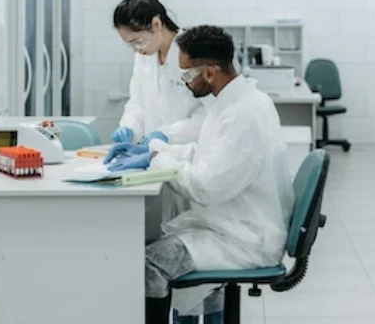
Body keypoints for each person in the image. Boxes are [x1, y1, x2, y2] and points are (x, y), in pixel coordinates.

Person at [104, 25, 295, 323]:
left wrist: (158, 158)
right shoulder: (232, 103)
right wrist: (154, 152)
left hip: (245, 238)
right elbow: (208, 154)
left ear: (209, 73)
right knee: (156, 240)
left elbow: (205, 186)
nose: (184, 83)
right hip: (231, 224)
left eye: (186, 75)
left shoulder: (244, 114)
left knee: (148, 263)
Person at [112, 0, 208, 146]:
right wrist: (129, 126)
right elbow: (138, 102)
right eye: (131, 44)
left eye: (138, 41)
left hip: (189, 152)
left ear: (156, 24)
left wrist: (170, 134)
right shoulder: (144, 57)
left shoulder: (192, 54)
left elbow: (208, 113)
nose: (137, 49)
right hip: (156, 154)